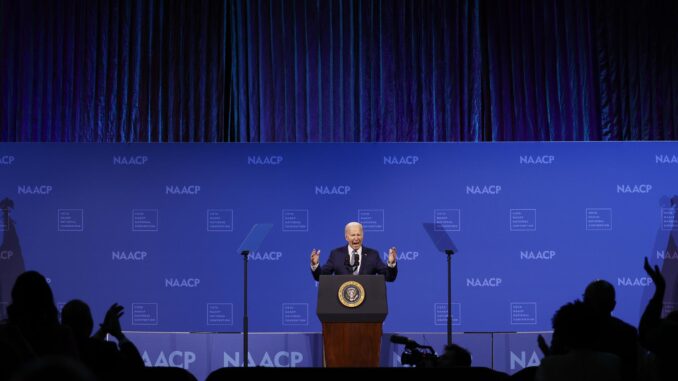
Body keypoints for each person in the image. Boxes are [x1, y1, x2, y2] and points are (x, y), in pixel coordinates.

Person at [310, 222, 397, 282]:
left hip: (367, 303)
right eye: (353, 235)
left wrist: (391, 264)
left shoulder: (372, 254)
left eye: (358, 234)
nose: (356, 238)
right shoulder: (336, 254)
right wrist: (315, 265)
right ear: (346, 237)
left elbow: (389, 277)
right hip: (342, 303)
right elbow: (321, 277)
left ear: (362, 236)